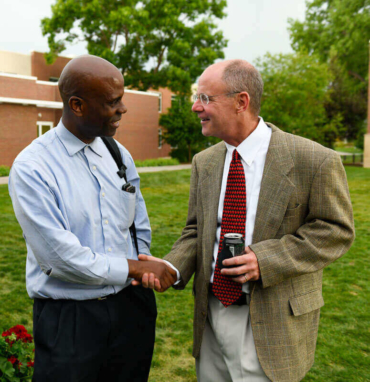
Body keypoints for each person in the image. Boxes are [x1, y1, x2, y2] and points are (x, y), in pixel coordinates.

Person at [136, 60, 355, 382]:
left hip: (273, 318)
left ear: (241, 102)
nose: (196, 107)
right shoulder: (204, 162)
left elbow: (336, 230)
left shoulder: (315, 160)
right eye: (197, 98)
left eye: (206, 98)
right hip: (210, 314)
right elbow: (197, 230)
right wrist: (172, 267)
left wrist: (265, 261)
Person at [8, 54, 176, 382]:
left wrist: (139, 267)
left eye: (122, 99)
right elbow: (59, 258)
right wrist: (135, 267)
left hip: (132, 310)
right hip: (72, 321)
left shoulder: (118, 153)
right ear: (77, 105)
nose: (122, 109)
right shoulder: (33, 168)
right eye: (112, 102)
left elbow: (137, 224)